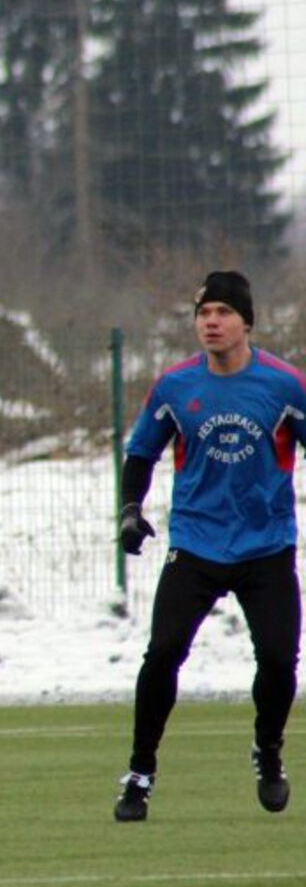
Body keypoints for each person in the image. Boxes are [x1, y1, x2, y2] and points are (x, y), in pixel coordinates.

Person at [113, 270, 303, 822]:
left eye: (222, 312)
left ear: (247, 321)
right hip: (195, 545)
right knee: (163, 653)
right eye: (203, 314)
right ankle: (140, 773)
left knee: (277, 659)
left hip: (266, 547)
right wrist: (130, 510)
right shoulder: (176, 386)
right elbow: (141, 453)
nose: (211, 322)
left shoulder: (285, 385)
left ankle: (268, 751)